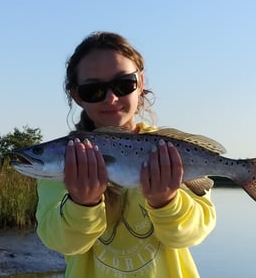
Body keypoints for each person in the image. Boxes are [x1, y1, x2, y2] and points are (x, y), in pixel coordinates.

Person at [36, 31, 216, 278]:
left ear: (140, 83)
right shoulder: (62, 168)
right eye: (93, 90)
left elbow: (193, 234)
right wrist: (82, 203)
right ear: (77, 96)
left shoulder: (171, 151)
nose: (111, 98)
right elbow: (62, 243)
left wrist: (166, 201)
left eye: (124, 85)